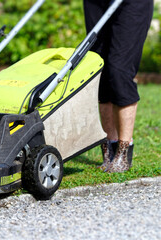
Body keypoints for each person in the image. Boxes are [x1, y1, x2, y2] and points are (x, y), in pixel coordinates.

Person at [83, 0, 154, 172]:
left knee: (119, 70)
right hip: (97, 4)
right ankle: (109, 149)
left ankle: (123, 151)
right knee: (100, 69)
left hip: (132, 4)